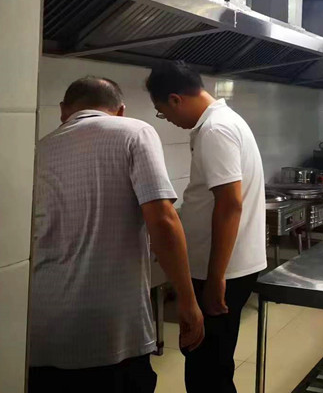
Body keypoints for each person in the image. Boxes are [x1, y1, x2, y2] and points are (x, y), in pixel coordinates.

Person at [29, 77, 203, 393]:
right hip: (111, 329)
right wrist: (188, 301)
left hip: (44, 325)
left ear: (63, 111)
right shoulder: (134, 132)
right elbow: (163, 222)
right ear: (121, 110)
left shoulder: (39, 148)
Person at [146, 61, 266, 393]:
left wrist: (215, 279)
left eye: (162, 112)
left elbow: (230, 204)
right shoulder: (222, 122)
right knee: (212, 365)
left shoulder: (216, 130)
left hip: (222, 271)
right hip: (227, 267)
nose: (168, 119)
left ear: (175, 99)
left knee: (206, 372)